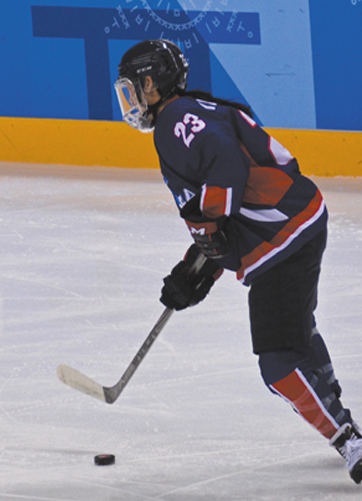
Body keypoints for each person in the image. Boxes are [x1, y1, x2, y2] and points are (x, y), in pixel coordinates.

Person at [114, 38, 362, 483]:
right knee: (294, 332)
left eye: (135, 89)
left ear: (153, 83)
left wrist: (212, 231)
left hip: (281, 238)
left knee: (278, 362)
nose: (131, 101)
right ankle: (337, 413)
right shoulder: (185, 113)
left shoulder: (175, 119)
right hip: (295, 226)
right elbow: (220, 206)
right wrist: (197, 268)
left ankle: (348, 439)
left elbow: (224, 166)